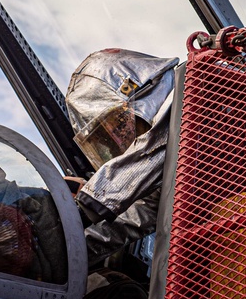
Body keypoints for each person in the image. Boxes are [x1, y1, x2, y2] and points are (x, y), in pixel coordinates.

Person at [65, 48, 178, 265]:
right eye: (107, 137)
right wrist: (66, 253)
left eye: (119, 124)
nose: (120, 140)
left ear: (142, 93)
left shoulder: (199, 89)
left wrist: (83, 208)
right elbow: (129, 221)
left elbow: (159, 146)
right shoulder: (161, 176)